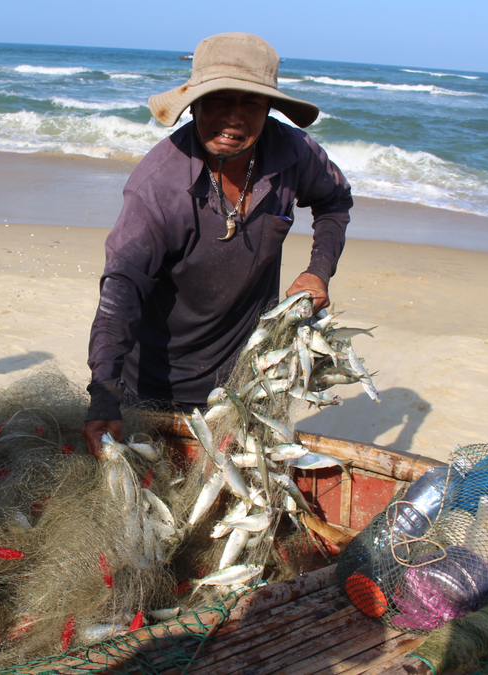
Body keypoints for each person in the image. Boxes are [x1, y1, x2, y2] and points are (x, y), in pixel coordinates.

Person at [81, 32, 353, 457]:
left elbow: (335, 200)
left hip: (249, 376)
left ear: (269, 109)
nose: (234, 119)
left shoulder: (293, 154)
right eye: (219, 100)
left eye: (251, 104)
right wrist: (104, 396)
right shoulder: (158, 188)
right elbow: (121, 288)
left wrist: (318, 270)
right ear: (195, 105)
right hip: (155, 383)